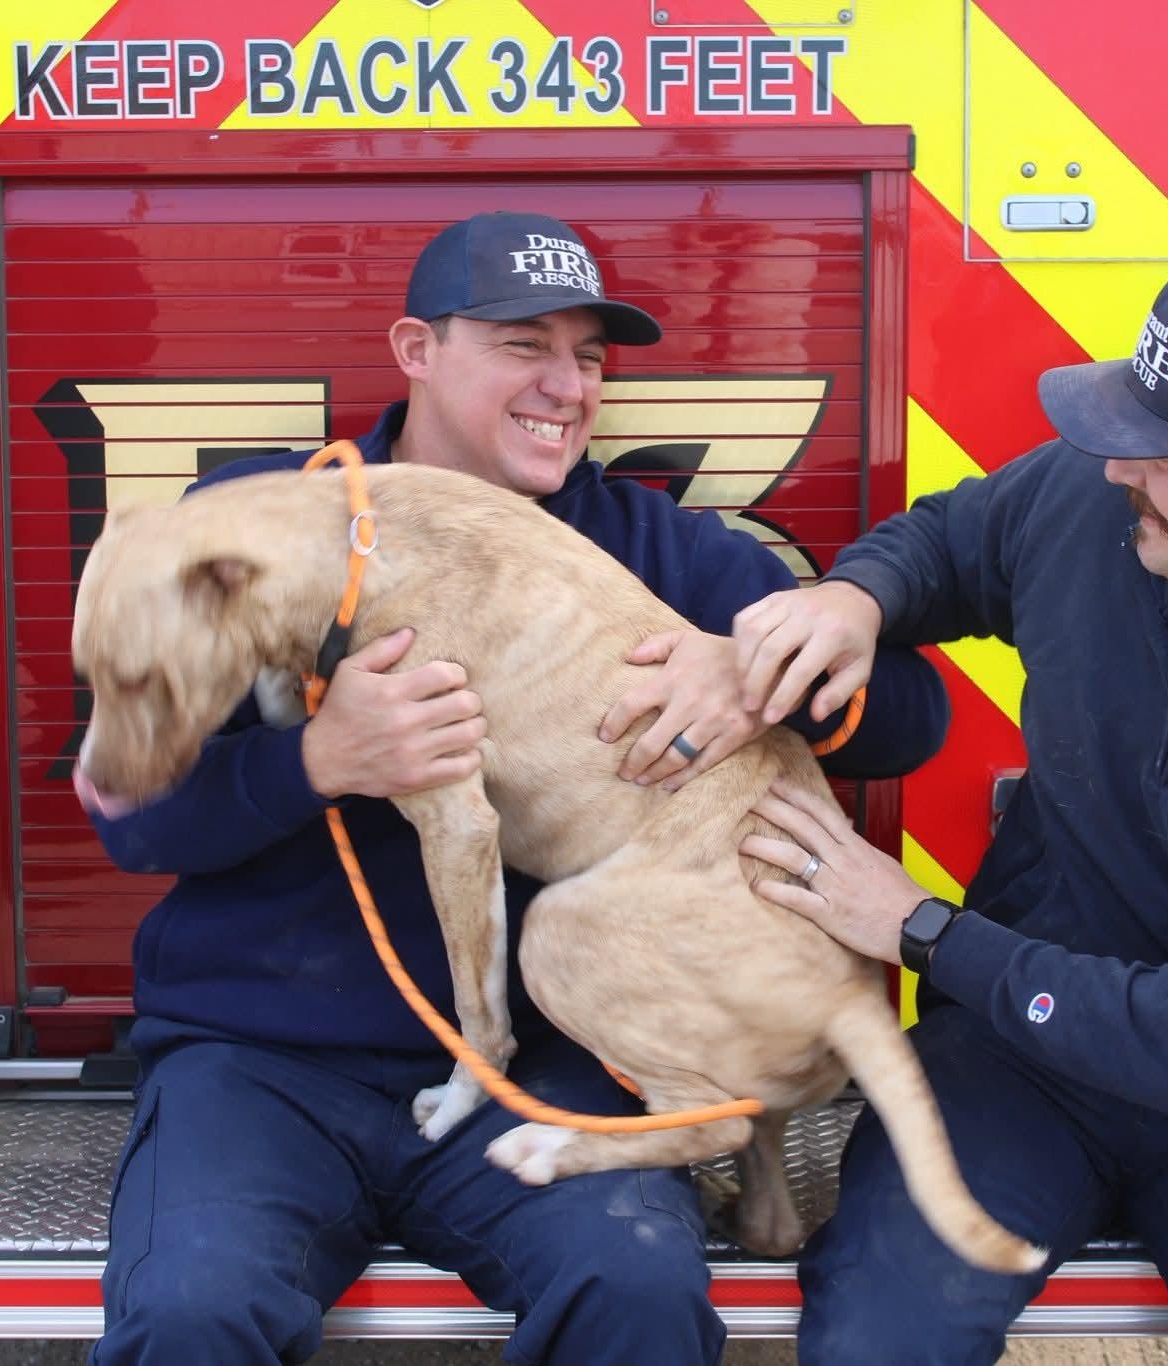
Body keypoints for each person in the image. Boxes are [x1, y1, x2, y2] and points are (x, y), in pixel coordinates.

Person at [76, 210, 948, 1365]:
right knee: (189, 1312)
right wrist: (318, 763)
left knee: (634, 1289)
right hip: (265, 1062)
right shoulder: (254, 528)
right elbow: (128, 817)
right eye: (521, 344)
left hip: (541, 1064)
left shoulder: (658, 549)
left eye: (587, 357)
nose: (566, 386)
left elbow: (910, 719)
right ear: (415, 349)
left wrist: (757, 675)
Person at [732, 247, 1168, 1365]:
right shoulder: (1099, 508)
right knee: (877, 1340)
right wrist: (851, 598)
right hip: (1012, 1075)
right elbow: (944, 542)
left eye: (1164, 449)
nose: (1120, 465)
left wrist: (919, 929)